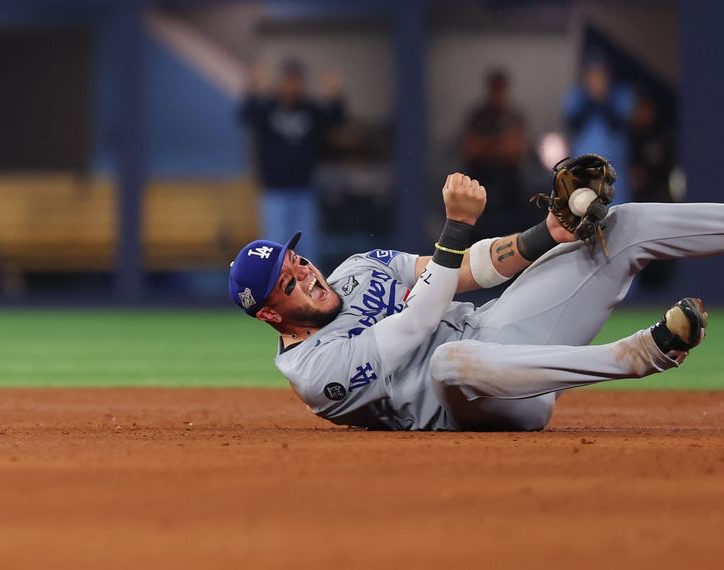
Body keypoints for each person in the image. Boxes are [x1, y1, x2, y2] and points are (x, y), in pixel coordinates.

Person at [227, 166, 712, 431]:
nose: (306, 273)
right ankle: (638, 356)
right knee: (447, 361)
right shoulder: (315, 373)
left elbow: (463, 269)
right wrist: (456, 225)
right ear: (271, 313)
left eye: (297, 261)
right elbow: (417, 322)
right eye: (288, 282)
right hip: (476, 403)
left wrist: (547, 233)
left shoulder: (355, 269)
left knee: (619, 227)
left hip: (501, 331)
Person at [239, 59, 345, 262]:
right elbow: (245, 114)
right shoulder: (268, 108)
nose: (291, 86)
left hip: (304, 190)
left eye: (296, 81)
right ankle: (275, 291)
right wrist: (251, 87)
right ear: (280, 82)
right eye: (287, 81)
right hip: (274, 192)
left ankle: (309, 292)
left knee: (307, 250)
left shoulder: (309, 109)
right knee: (275, 249)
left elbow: (336, 119)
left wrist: (335, 93)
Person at [461, 69, 529, 240]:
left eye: (501, 88)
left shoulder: (514, 116)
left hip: (508, 182)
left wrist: (488, 144)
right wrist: (501, 143)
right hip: (482, 177)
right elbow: (472, 148)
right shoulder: (478, 116)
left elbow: (516, 150)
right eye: (495, 88)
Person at [564, 57, 635, 203]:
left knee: (616, 215)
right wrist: (590, 97)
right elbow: (571, 118)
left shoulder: (621, 94)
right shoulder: (578, 95)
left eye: (600, 74)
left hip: (613, 170)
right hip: (583, 169)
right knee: (583, 213)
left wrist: (603, 98)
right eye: (592, 74)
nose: (596, 78)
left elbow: (621, 119)